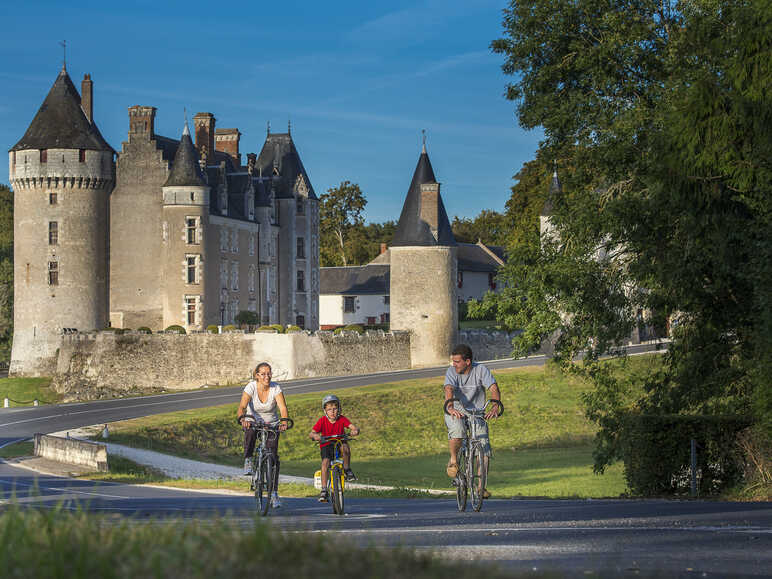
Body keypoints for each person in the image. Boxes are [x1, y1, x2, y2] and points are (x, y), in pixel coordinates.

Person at [444, 343, 501, 499]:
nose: (454, 365)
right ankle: (454, 461)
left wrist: (495, 405)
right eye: (453, 361)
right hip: (456, 409)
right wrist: (450, 407)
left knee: (484, 449)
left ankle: (481, 488)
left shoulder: (481, 370)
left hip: (477, 412)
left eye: (457, 361)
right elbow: (448, 389)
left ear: (467, 361)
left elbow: (494, 388)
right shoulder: (451, 372)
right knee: (458, 432)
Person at [236, 362, 290, 509]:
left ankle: (273, 494)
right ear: (257, 375)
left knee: (273, 459)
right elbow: (241, 407)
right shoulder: (251, 387)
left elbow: (283, 408)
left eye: (269, 373)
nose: (267, 376)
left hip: (272, 423)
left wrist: (284, 421)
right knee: (250, 430)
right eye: (263, 374)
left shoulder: (276, 387)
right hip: (253, 421)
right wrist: (242, 418)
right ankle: (248, 460)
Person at [309, 394, 360, 503]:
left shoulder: (342, 419)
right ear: (325, 411)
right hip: (326, 443)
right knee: (325, 462)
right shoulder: (322, 421)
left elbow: (352, 427)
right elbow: (312, 433)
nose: (332, 412)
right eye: (329, 409)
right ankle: (324, 490)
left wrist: (355, 430)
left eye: (335, 408)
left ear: (339, 409)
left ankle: (347, 469)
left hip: (340, 441)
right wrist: (315, 436)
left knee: (345, 448)